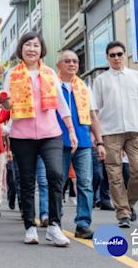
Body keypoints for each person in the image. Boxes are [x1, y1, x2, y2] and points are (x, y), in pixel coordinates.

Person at [1, 32, 77, 247]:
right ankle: (30, 226)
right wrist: (4, 101)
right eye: (27, 45)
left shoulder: (50, 73)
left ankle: (54, 225)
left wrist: (70, 130)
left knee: (55, 174)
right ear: (21, 49)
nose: (31, 49)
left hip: (51, 133)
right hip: (21, 135)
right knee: (26, 181)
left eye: (35, 45)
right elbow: (6, 106)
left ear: (41, 49)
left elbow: (61, 103)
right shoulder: (12, 74)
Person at [92, 41, 138, 228]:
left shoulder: (136, 77)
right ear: (107, 58)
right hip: (110, 132)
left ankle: (129, 204)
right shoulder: (101, 80)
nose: (116, 58)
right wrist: (99, 138)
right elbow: (94, 109)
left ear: (125, 55)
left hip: (135, 131)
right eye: (112, 55)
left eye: (119, 54)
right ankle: (123, 213)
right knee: (114, 174)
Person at [56, 50, 106, 239]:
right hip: (58, 141)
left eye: (75, 61)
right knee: (58, 183)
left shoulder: (84, 87)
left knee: (85, 183)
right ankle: (55, 220)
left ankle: (83, 224)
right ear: (58, 64)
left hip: (84, 142)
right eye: (67, 61)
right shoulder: (53, 85)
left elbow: (93, 115)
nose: (72, 64)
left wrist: (99, 142)